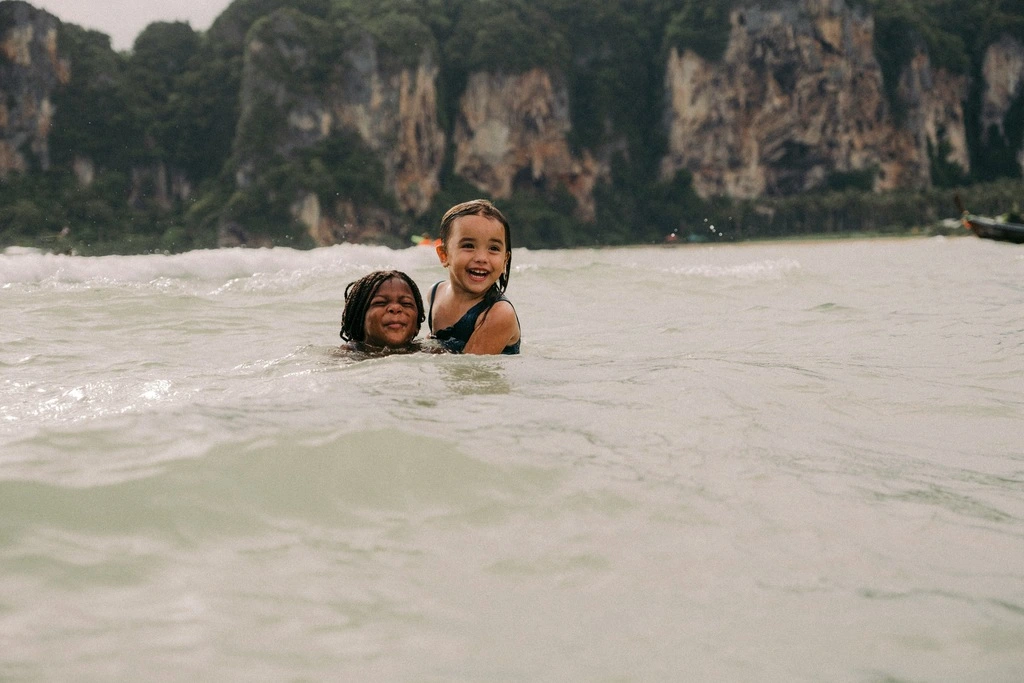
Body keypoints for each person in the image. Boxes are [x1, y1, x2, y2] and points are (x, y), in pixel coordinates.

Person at [428, 199, 521, 355]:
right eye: (468, 246)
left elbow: (468, 370)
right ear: (444, 255)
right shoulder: (435, 293)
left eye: (493, 248)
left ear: (505, 260)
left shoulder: (498, 314)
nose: (481, 258)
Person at [339, 270, 426, 355]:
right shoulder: (346, 356)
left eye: (406, 303)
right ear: (359, 320)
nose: (395, 308)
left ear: (417, 325)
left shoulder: (429, 353)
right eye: (380, 302)